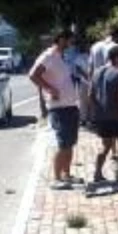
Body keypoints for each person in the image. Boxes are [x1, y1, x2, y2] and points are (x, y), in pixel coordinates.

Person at [30, 30, 81, 190]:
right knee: (63, 143)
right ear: (60, 40)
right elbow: (33, 75)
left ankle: (67, 175)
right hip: (59, 108)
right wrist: (50, 89)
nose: (70, 44)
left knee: (70, 143)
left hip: (70, 105)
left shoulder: (61, 56)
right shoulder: (48, 56)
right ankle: (57, 179)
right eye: (68, 41)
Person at [87, 45, 118, 191]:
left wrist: (98, 111)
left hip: (102, 116)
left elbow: (90, 95)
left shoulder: (97, 72)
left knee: (105, 146)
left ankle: (97, 173)